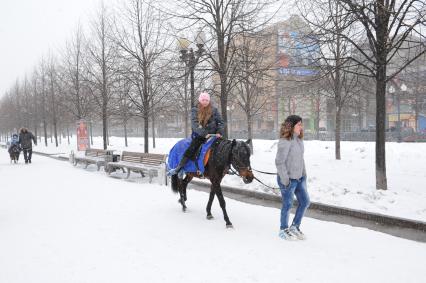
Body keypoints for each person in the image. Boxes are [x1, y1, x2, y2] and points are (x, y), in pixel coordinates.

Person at [168, 91, 225, 177]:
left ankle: (225, 166)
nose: (205, 102)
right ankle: (179, 167)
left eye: (206, 100)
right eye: (203, 100)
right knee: (192, 149)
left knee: (224, 148)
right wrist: (204, 133)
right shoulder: (195, 110)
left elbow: (221, 122)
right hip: (200, 136)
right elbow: (195, 124)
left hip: (214, 136)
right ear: (200, 100)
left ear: (209, 101)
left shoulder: (214, 110)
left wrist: (219, 132)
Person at [275, 115, 310, 240]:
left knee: (305, 202)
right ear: (291, 126)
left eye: (301, 124)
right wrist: (285, 180)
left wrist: (304, 174)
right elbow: (279, 162)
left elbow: (301, 159)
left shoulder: (299, 140)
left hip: (299, 178)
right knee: (288, 204)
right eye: (299, 124)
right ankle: (283, 229)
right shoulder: (285, 141)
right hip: (288, 179)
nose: (301, 126)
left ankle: (295, 226)